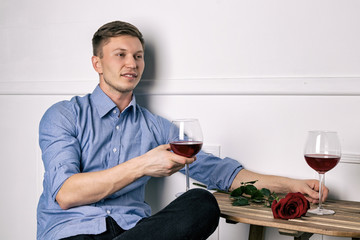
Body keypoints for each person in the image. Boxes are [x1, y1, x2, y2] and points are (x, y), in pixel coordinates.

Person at [37, 20, 329, 240]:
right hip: (72, 232)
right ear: (97, 63)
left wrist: (291, 185)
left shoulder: (156, 127)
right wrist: (142, 165)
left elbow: (221, 174)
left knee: (201, 202)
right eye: (120, 55)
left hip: (136, 232)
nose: (132, 64)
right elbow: (66, 194)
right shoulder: (64, 115)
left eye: (138, 56)